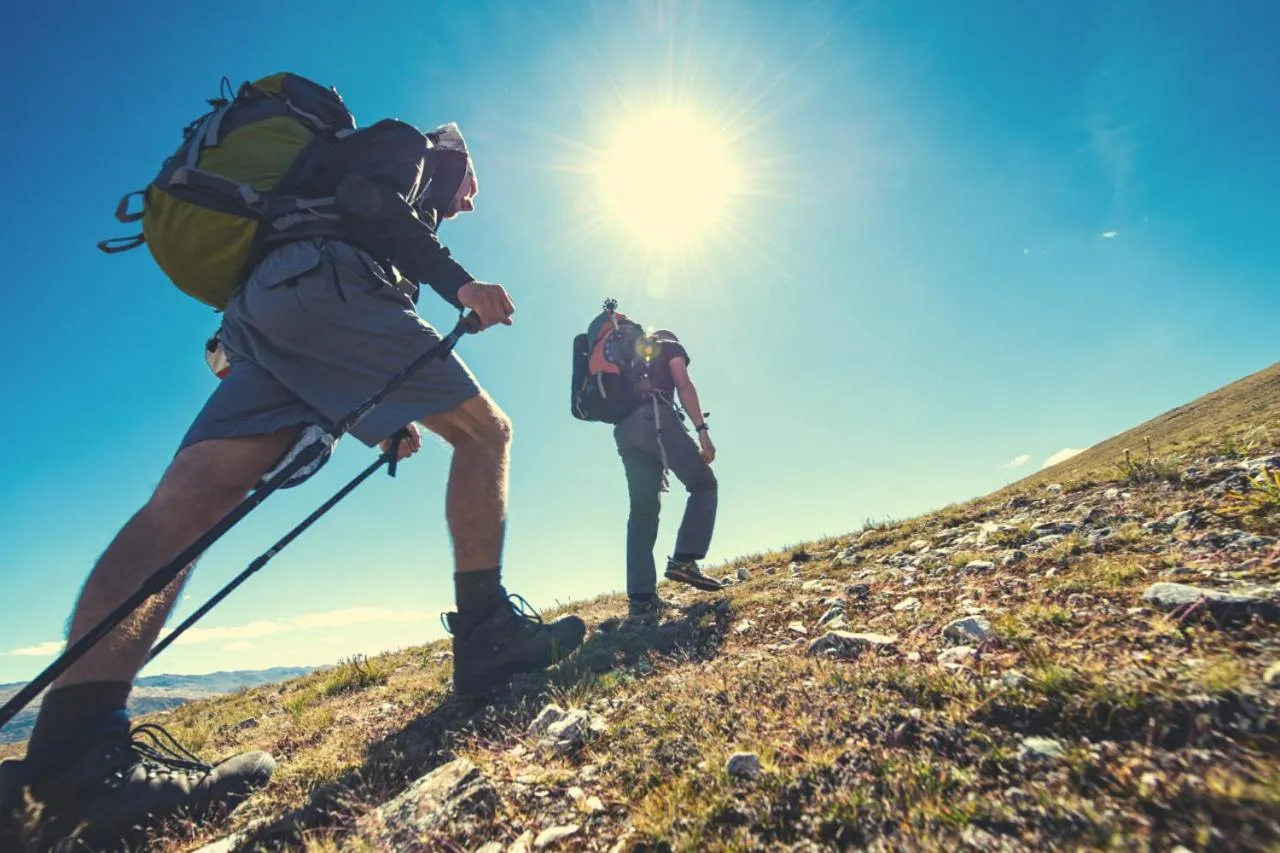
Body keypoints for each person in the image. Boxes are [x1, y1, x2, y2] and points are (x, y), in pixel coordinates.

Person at [0, 79, 586, 849]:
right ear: (453, 157)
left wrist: (385, 424)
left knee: (186, 503)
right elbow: (372, 207)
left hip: (264, 305)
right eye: (472, 185)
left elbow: (340, 302)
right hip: (325, 280)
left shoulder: (315, 176)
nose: (470, 203)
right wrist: (460, 283)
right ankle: (488, 638)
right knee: (486, 432)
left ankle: (74, 750)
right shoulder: (408, 144)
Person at [613, 325, 722, 623]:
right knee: (703, 484)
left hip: (625, 433)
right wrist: (702, 430)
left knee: (642, 512)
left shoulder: (629, 358)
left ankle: (641, 599)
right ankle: (685, 559)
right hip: (656, 418)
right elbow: (683, 385)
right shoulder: (669, 345)